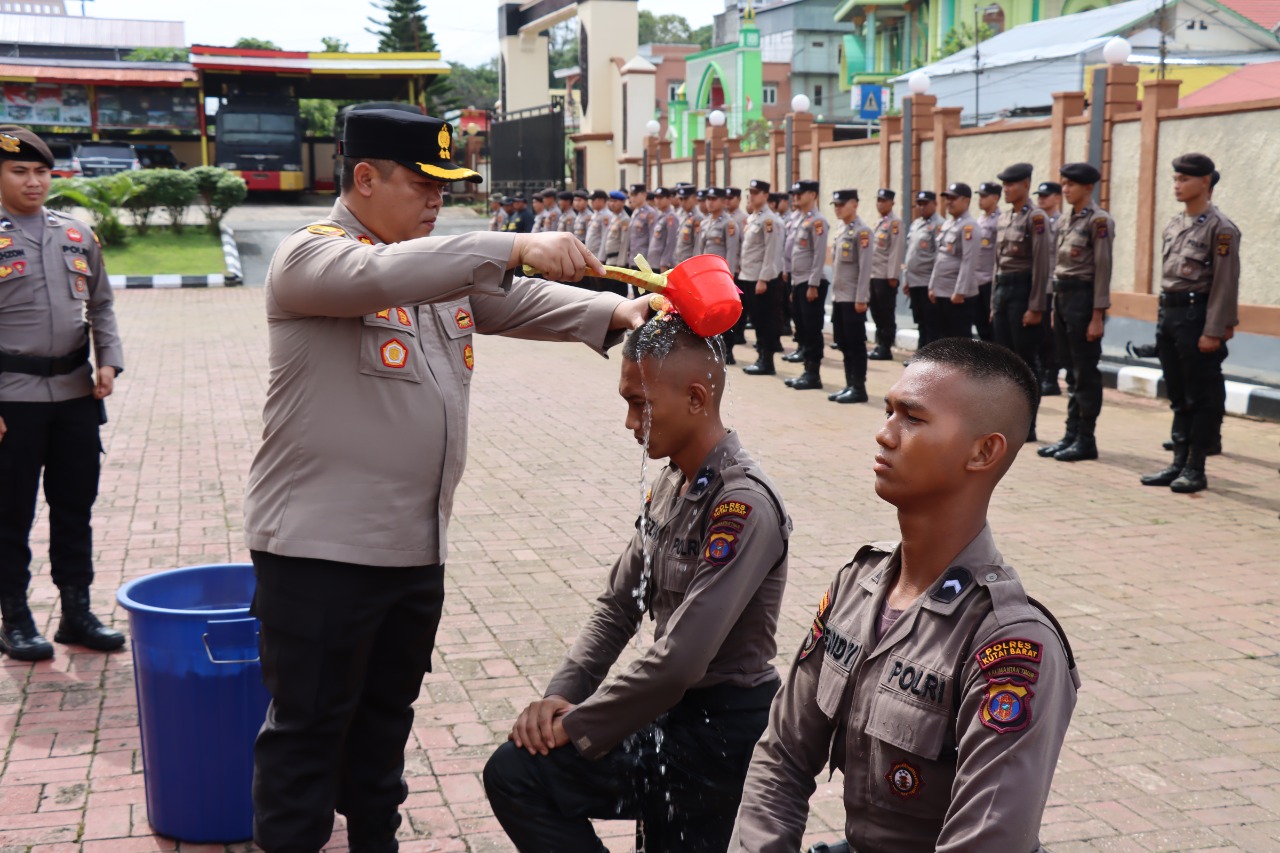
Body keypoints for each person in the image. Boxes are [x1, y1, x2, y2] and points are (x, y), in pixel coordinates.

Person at [243, 109, 649, 853]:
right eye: (423, 184)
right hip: (320, 558)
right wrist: (517, 242)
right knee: (306, 740)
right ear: (364, 178)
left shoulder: (428, 263)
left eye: (446, 186)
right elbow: (390, 274)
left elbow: (507, 300)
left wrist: (616, 309)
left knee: (383, 729)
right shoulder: (313, 259)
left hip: (411, 552)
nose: (437, 201)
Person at [730, 337, 1080, 852]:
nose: (884, 433)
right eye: (888, 410)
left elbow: (983, 844)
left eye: (912, 419)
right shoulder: (859, 584)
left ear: (984, 451)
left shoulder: (1010, 645)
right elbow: (781, 759)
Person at [484, 310, 790, 853]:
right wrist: (560, 698)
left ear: (697, 398)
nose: (630, 423)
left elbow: (680, 661)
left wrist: (578, 725)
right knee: (520, 772)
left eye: (640, 404)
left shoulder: (740, 505)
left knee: (524, 775)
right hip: (669, 714)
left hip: (720, 732)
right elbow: (618, 606)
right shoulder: (674, 482)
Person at [0, 125, 125, 662]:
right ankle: (15, 618)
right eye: (19, 171)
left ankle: (76, 612)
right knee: (11, 514)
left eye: (42, 171)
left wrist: (109, 362)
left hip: (76, 396)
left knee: (74, 508)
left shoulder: (75, 234)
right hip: (13, 399)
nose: (34, 181)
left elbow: (101, 306)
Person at [1140, 153, 1239, 494]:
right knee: (1178, 393)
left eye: (1184, 179)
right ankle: (1178, 462)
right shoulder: (1174, 224)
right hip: (1171, 314)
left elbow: (1225, 284)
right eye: (1175, 179)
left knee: (1199, 394)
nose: (1177, 185)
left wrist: (1215, 329)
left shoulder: (1220, 229)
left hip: (1198, 317)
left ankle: (1196, 467)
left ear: (1205, 182)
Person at [1038, 163, 1114, 463]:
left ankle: (1086, 438)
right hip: (1063, 298)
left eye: (1071, 184)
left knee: (1085, 373)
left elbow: (1103, 270)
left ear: (1088, 187)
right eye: (1064, 184)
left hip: (1084, 300)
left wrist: (1097, 315)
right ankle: (1070, 434)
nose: (1065, 189)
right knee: (1070, 370)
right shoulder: (1065, 220)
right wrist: (1055, 308)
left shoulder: (1099, 221)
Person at [993, 162, 1052, 441]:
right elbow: (997, 264)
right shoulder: (1005, 218)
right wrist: (994, 302)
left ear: (1026, 185)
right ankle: (1007, 420)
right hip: (1004, 292)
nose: (1006, 189)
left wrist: (1036, 306)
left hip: (1023, 293)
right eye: (1004, 184)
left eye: (1011, 184)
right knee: (1005, 362)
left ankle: (1029, 424)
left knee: (1026, 363)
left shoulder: (1035, 218)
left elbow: (1041, 265)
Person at [828, 189, 873, 404]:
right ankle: (849, 384)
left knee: (855, 343)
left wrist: (861, 298)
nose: (837, 208)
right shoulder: (841, 229)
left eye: (841, 204)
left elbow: (865, 269)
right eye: (835, 204)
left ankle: (859, 387)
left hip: (853, 298)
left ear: (854, 204)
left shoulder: (862, 232)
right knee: (844, 343)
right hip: (839, 296)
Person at [783, 180, 828, 390]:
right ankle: (806, 371)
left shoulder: (817, 221)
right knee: (801, 327)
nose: (796, 197)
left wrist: (813, 284)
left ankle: (813, 374)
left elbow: (819, 256)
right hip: (798, 281)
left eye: (800, 193)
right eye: (794, 193)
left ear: (812, 195)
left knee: (811, 329)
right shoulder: (798, 219)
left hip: (811, 283)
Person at [740, 179, 786, 377]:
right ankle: (760, 358)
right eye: (749, 191)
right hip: (749, 276)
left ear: (766, 195)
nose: (751, 195)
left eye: (756, 192)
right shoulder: (753, 218)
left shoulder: (770, 221)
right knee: (757, 320)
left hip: (762, 280)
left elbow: (771, 252)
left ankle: (767, 361)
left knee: (766, 321)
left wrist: (764, 279)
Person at [927, 182, 979, 343]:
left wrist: (960, 291)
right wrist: (932, 285)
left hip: (957, 294)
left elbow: (968, 261)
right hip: (942, 291)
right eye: (947, 198)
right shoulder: (948, 224)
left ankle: (964, 369)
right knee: (944, 338)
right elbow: (940, 257)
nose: (949, 202)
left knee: (959, 340)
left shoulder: (969, 226)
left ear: (966, 201)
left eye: (954, 198)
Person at [696, 187, 741, 363]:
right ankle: (712, 347)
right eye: (708, 198)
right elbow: (700, 251)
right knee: (709, 313)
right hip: (706, 276)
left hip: (720, 277)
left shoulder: (729, 224)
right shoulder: (706, 223)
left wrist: (728, 277)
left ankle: (728, 351)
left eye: (714, 199)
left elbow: (731, 252)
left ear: (723, 201)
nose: (710, 202)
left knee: (724, 314)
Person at [902, 191, 942, 358]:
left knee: (931, 322)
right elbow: (909, 254)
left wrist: (934, 283)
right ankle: (921, 356)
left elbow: (939, 257)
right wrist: (906, 279)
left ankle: (930, 357)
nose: (921, 206)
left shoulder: (939, 225)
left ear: (935, 204)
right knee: (920, 322)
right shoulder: (916, 223)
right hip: (914, 281)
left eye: (925, 203)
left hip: (928, 281)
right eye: (919, 203)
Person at [1034, 181, 1065, 397]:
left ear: (1057, 198)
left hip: (1055, 284)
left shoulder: (1061, 222)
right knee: (1040, 334)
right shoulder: (1038, 220)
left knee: (1051, 335)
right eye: (1040, 196)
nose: (1041, 199)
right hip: (1039, 284)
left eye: (1046, 196)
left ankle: (1051, 377)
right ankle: (1042, 373)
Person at [867, 188, 904, 361]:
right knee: (875, 310)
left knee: (885, 312)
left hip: (885, 276)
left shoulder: (895, 223)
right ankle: (880, 344)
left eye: (884, 200)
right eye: (878, 200)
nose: (880, 203)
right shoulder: (879, 223)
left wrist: (892, 275)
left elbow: (896, 251)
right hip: (874, 274)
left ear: (892, 203)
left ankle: (886, 346)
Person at [973, 182, 1001, 342]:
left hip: (990, 280)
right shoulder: (980, 220)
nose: (980, 199)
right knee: (980, 323)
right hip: (977, 280)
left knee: (993, 326)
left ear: (996, 198)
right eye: (979, 196)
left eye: (984, 196)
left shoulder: (999, 220)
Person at [646, 187, 678, 273]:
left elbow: (671, 242)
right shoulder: (659, 215)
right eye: (656, 197)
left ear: (669, 199)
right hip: (654, 262)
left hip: (662, 265)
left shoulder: (671, 217)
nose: (658, 200)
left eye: (661, 198)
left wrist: (664, 263)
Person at [626, 183, 656, 272]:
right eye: (631, 195)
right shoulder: (635, 211)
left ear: (644, 195)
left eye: (635, 195)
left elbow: (652, 239)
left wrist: (650, 261)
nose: (632, 198)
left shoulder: (650, 213)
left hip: (644, 260)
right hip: (633, 259)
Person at [674, 184, 703, 265]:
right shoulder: (680, 215)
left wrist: (695, 265)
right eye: (680, 199)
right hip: (678, 262)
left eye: (686, 199)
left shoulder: (698, 218)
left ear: (694, 198)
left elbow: (698, 245)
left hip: (689, 263)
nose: (683, 202)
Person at [584, 189, 612, 261]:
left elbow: (605, 237)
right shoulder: (595, 214)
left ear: (602, 200)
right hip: (591, 253)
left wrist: (601, 258)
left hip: (598, 255)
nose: (591, 202)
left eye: (593, 200)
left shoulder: (606, 216)